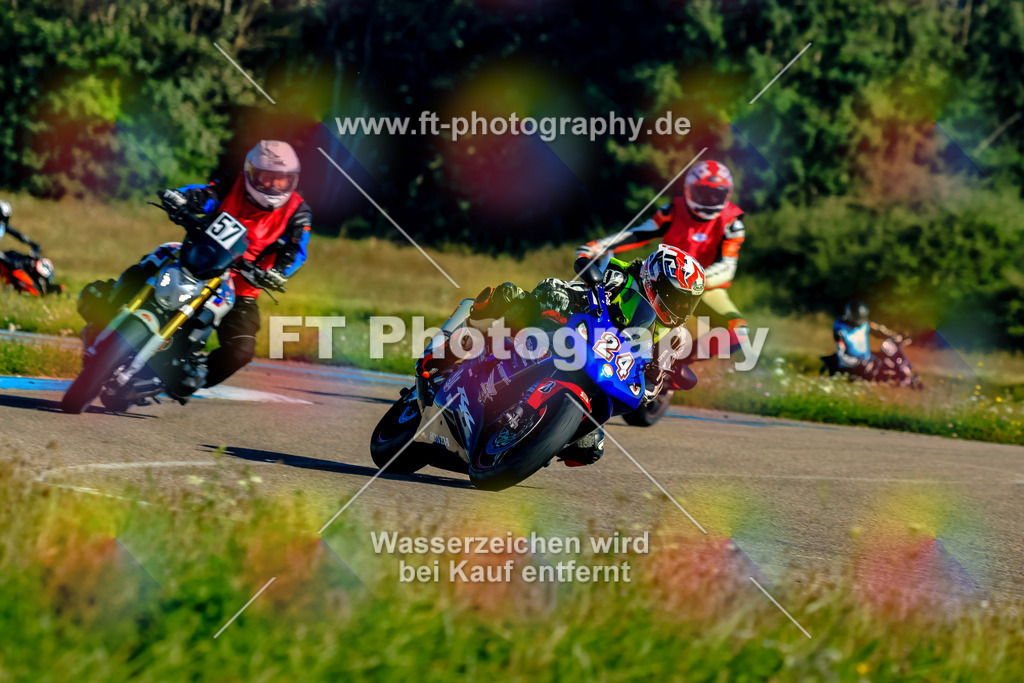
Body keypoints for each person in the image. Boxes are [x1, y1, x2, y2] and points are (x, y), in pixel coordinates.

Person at [423, 244, 706, 465]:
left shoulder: (676, 337)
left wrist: (655, 376)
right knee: (508, 296)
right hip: (565, 332)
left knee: (589, 450)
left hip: (599, 375)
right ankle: (443, 354)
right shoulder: (618, 275)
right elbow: (574, 282)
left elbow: (649, 392)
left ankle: (525, 446)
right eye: (675, 295)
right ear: (653, 280)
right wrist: (562, 293)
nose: (680, 306)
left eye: (687, 302)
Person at [79, 140, 312, 397]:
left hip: (244, 284)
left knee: (242, 349)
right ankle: (109, 306)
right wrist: (180, 198)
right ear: (251, 174)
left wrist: (279, 272)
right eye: (267, 178)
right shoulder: (230, 185)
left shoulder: (298, 211)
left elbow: (296, 250)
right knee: (158, 257)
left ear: (293, 180)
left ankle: (187, 376)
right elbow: (204, 195)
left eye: (281, 180)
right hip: (199, 260)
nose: (272, 186)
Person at [576, 160, 748, 340]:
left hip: (706, 287)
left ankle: (690, 362)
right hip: (663, 280)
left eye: (715, 195)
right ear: (690, 189)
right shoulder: (673, 211)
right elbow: (638, 234)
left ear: (726, 195)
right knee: (617, 291)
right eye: (704, 192)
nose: (710, 200)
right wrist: (598, 246)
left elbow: (728, 267)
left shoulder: (731, 223)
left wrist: (693, 282)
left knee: (739, 331)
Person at [832, 299, 897, 380]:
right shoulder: (840, 329)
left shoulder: (865, 323)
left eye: (863, 318)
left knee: (887, 364)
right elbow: (841, 356)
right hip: (852, 365)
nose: (861, 321)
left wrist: (893, 335)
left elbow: (880, 330)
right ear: (851, 316)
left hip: (867, 360)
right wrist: (858, 363)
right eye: (859, 318)